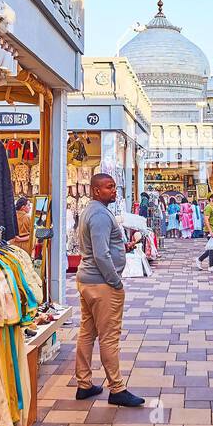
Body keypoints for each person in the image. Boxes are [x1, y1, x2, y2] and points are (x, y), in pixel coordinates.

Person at [74, 174, 145, 407]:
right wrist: (115, 280)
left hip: (89, 281)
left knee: (87, 332)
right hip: (101, 284)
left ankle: (84, 384)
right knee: (109, 336)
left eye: (114, 186)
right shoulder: (100, 215)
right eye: (109, 187)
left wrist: (121, 247)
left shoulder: (91, 211)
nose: (114, 191)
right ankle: (117, 388)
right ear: (96, 190)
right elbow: (101, 254)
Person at [198, 193, 213, 269]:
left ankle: (199, 259)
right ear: (211, 199)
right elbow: (206, 220)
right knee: (212, 248)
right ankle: (211, 266)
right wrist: (210, 231)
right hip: (210, 231)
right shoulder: (208, 207)